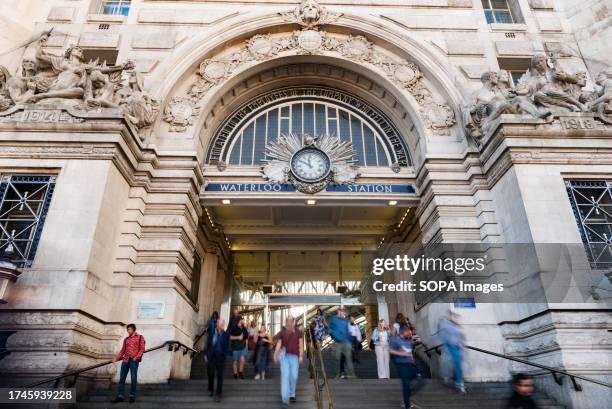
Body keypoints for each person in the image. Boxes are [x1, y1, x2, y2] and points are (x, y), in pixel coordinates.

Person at [274, 316, 304, 409]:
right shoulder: (282, 332)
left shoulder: (298, 332)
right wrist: (275, 354)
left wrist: (301, 355)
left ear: (293, 322)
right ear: (286, 322)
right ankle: (285, 397)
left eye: (291, 321)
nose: (290, 322)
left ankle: (292, 393)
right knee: (285, 376)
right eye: (288, 321)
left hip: (294, 357)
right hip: (285, 358)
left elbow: (301, 344)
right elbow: (279, 343)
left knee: (294, 376)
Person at [112, 324, 145, 403]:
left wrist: (135, 358)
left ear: (134, 330)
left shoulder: (140, 337)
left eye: (130, 329)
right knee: (122, 379)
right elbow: (123, 350)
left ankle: (132, 396)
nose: (128, 331)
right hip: (125, 360)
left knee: (133, 378)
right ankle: (120, 396)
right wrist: (116, 358)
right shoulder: (126, 339)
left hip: (134, 361)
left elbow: (142, 349)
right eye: (127, 329)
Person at [389, 326, 421, 409]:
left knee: (420, 381)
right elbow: (390, 350)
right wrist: (402, 354)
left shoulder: (409, 341)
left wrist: (413, 360)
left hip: (411, 364)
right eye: (409, 333)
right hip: (402, 365)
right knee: (406, 384)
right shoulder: (395, 340)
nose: (410, 335)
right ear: (403, 332)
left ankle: (406, 398)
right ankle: (407, 404)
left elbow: (410, 352)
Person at [438, 311, 466, 394]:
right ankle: (449, 378)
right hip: (450, 348)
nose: (458, 320)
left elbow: (461, 338)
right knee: (449, 365)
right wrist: (445, 348)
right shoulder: (446, 326)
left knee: (458, 366)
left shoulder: (457, 327)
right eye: (455, 317)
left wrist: (463, 346)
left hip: (457, 348)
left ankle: (459, 383)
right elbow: (443, 338)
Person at [204, 318, 230, 402]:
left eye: (223, 325)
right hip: (211, 356)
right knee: (211, 373)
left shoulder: (226, 335)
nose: (222, 326)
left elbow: (227, 347)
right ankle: (210, 390)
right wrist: (205, 355)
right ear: (217, 324)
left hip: (220, 357)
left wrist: (224, 356)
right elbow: (207, 343)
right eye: (221, 325)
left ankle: (219, 393)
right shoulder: (212, 332)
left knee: (220, 375)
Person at [328, 308, 355, 379]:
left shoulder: (346, 320)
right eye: (343, 312)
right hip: (338, 342)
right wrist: (333, 334)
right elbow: (329, 329)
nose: (344, 314)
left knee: (348, 357)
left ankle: (352, 375)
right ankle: (337, 374)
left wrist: (351, 343)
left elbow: (348, 331)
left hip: (346, 342)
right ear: (338, 312)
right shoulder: (333, 319)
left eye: (344, 313)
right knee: (337, 358)